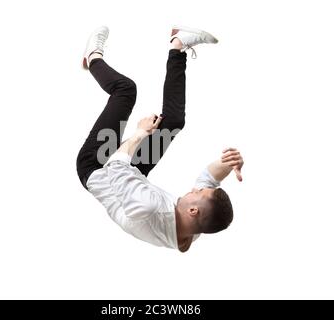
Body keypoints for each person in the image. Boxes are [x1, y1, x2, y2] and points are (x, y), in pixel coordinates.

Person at [76, 26, 244, 252]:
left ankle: (92, 57)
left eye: (196, 194)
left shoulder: (147, 207)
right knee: (174, 121)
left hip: (99, 167)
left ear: (193, 210)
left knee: (125, 90)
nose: (194, 189)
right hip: (132, 176)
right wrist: (229, 162)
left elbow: (116, 165)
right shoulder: (195, 226)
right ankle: (178, 45)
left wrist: (141, 132)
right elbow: (208, 182)